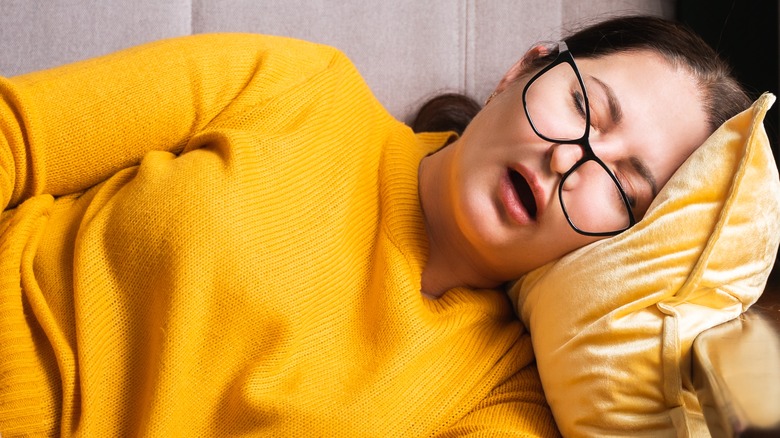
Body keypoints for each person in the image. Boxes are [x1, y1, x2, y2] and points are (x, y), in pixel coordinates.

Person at [0, 15, 750, 437]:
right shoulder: (299, 88)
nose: (571, 161)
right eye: (585, 108)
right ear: (524, 69)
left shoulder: (503, 398)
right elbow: (16, 136)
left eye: (622, 183)